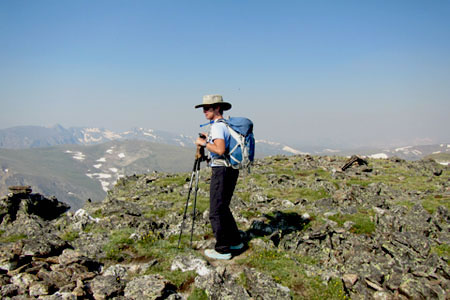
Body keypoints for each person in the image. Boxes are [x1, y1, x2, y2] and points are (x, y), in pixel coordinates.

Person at [195, 94, 244, 260]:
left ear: (217, 108)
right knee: (223, 207)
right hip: (231, 169)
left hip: (221, 172)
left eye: (207, 108)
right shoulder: (225, 125)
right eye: (204, 108)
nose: (204, 111)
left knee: (215, 211)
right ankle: (236, 241)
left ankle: (222, 249)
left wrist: (203, 144)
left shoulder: (217, 126)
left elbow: (221, 150)